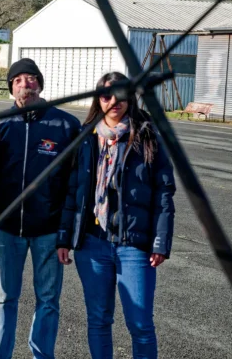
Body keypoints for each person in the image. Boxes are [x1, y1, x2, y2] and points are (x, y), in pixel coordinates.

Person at [56, 72, 176, 359]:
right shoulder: (86, 137)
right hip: (92, 243)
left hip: (134, 244)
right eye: (107, 96)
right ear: (99, 99)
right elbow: (73, 191)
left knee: (140, 324)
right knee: (98, 320)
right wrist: (64, 236)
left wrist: (160, 241)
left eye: (121, 95)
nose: (114, 102)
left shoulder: (147, 135)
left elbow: (163, 192)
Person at [0, 58, 81, 359]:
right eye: (18, 80)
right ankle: (0, 355)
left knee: (48, 300)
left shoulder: (65, 125)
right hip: (7, 229)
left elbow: (75, 184)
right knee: (5, 297)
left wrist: (67, 233)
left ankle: (42, 355)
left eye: (30, 79)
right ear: (11, 87)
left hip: (49, 231)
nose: (24, 84)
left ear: (40, 83)